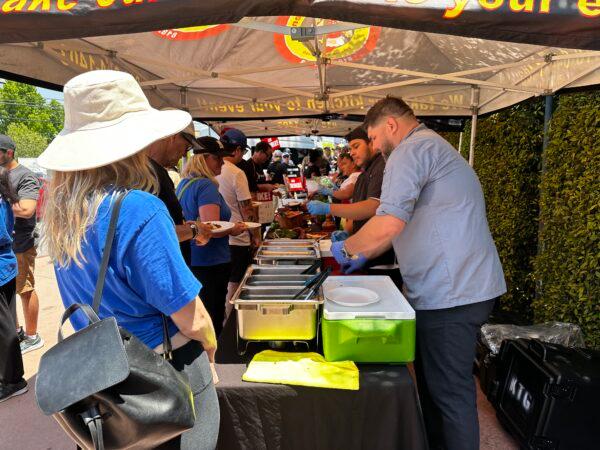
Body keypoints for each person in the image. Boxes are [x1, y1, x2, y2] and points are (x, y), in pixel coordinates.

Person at [38, 70, 220, 449]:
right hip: (160, 374)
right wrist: (211, 344)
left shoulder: (62, 212)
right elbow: (192, 316)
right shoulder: (140, 208)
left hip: (100, 375)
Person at [330, 97, 506, 450]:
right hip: (452, 287)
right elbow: (396, 222)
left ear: (391, 125)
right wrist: (362, 254)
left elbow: (387, 222)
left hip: (453, 291)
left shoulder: (412, 150)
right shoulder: (427, 147)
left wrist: (348, 250)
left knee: (449, 394)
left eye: (375, 138)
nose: (376, 147)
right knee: (434, 388)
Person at [307, 127, 401, 286]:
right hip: (366, 253)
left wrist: (328, 208)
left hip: (381, 258)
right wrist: (347, 232)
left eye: (356, 146)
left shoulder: (382, 166)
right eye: (350, 148)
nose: (351, 152)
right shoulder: (365, 173)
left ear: (372, 143)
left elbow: (372, 207)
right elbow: (357, 206)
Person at [177, 137, 246, 337]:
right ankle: (215, 360)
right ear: (205, 159)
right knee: (213, 314)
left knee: (202, 313)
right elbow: (211, 227)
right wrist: (233, 229)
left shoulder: (185, 183)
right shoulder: (206, 186)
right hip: (212, 260)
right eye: (218, 159)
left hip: (194, 258)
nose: (223, 163)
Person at [0, 135, 44, 355]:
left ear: (8, 153)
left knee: (24, 290)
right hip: (4, 245)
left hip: (20, 243)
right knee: (8, 292)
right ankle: (16, 331)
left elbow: (27, 209)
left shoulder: (25, 176)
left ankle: (32, 336)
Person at [146, 120, 211, 266]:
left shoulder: (154, 171)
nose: (183, 154)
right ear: (173, 136)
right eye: (186, 147)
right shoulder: (149, 174)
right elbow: (151, 233)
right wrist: (194, 230)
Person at [218, 129, 260, 314]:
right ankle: (231, 321)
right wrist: (256, 236)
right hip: (238, 237)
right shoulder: (236, 173)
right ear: (236, 150)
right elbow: (247, 209)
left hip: (217, 237)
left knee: (222, 284)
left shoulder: (208, 170)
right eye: (243, 151)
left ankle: (223, 321)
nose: (242, 156)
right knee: (234, 285)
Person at [0, 166, 27, 403]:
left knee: (5, 327)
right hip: (5, 265)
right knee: (7, 322)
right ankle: (10, 377)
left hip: (1, 265)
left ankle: (13, 380)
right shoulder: (3, 196)